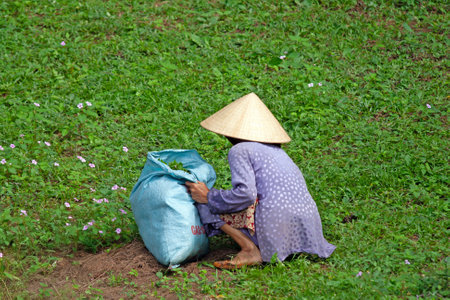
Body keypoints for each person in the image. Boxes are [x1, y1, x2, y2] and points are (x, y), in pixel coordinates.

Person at [185, 92, 335, 269]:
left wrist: (209, 196)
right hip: (307, 224)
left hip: (278, 220)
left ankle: (249, 249)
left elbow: (246, 195)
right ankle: (290, 246)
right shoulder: (278, 152)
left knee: (205, 205)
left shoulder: (240, 150)